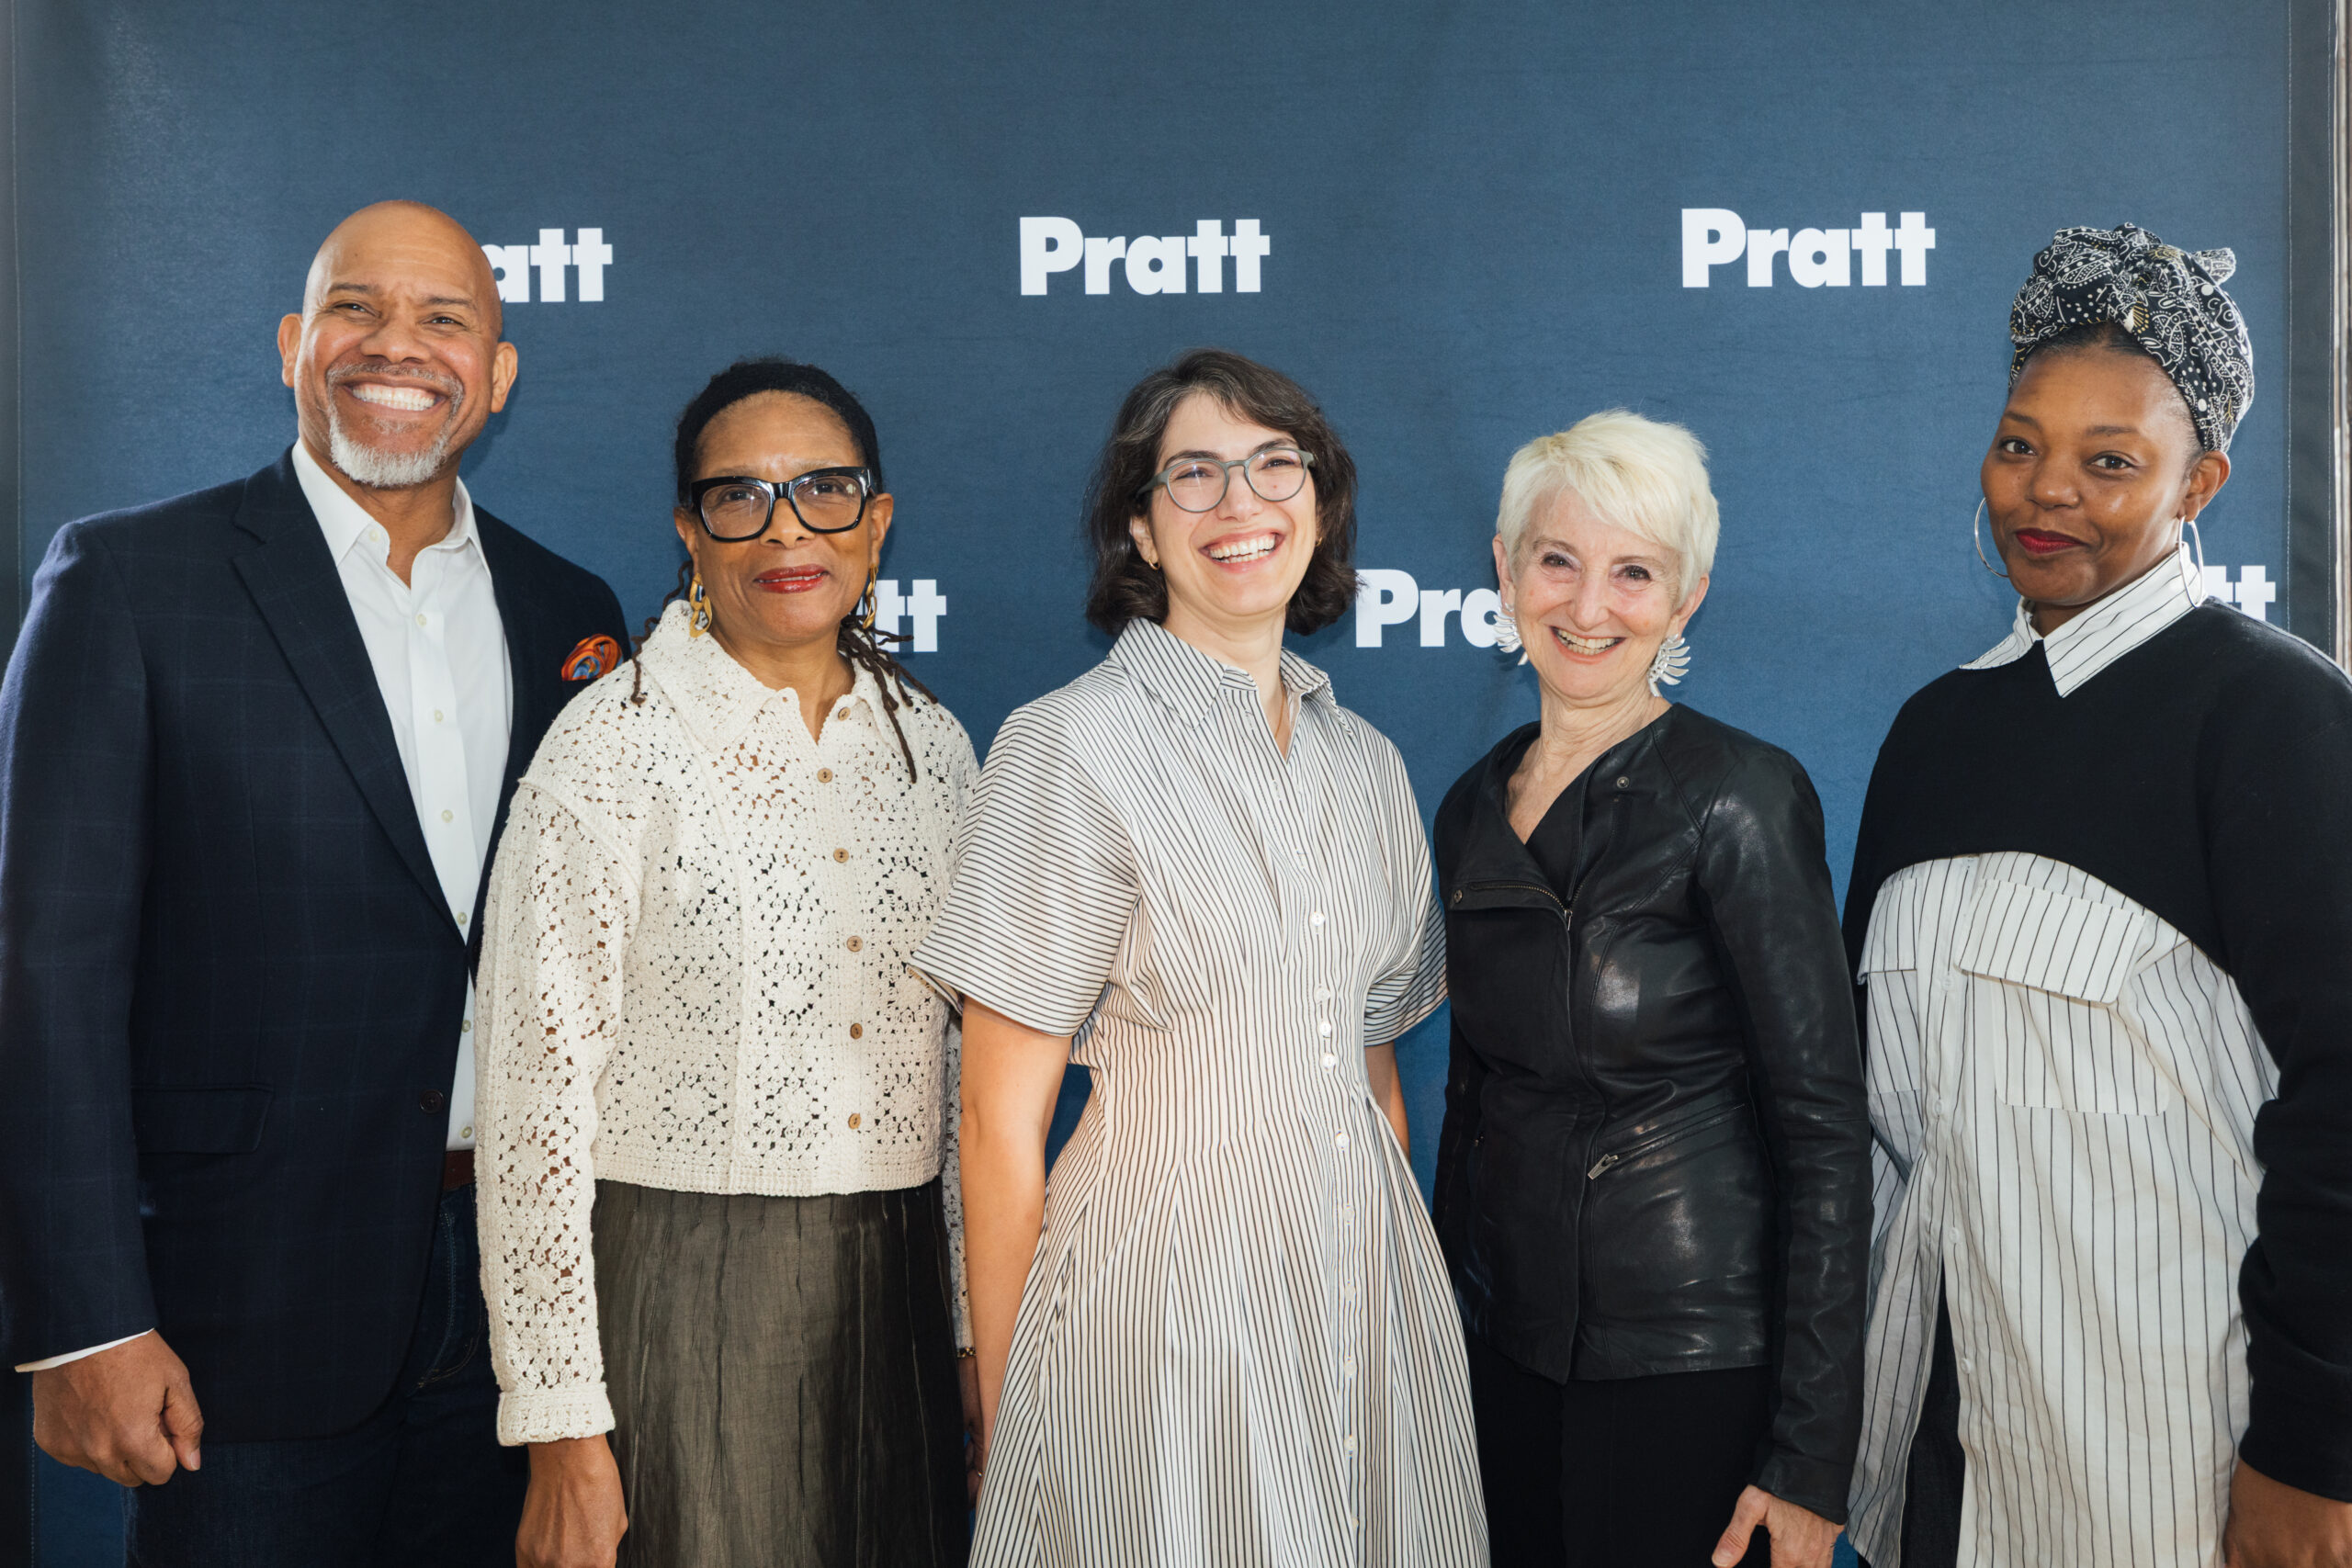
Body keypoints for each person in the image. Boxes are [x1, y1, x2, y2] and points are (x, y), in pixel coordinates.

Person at [0, 201, 630, 1565]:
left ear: (500, 374)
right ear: (295, 342)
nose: (395, 346)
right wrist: (84, 1318)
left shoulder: (567, 607)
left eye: (445, 318)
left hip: (515, 1303)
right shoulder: (128, 579)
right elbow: (43, 970)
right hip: (242, 1306)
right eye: (357, 307)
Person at [911, 348, 1485, 1565]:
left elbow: (1372, 1069)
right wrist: (1016, 1413)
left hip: (1365, 1297)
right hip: (1161, 1311)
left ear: (1320, 504)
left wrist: (1386, 1291)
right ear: (1140, 526)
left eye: (1277, 465)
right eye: (1196, 474)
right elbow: (995, 1120)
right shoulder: (1067, 746)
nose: (1242, 502)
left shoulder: (1368, 763)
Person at [1843, 224, 2352, 1568]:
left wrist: (2312, 1448)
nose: (2045, 490)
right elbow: (1868, 1119)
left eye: (2109, 461)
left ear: (2202, 484)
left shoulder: (2275, 718)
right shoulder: (1931, 735)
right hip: (1948, 1458)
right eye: (2020, 444)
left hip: (2184, 1461)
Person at [474, 358, 978, 1568]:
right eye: (740, 496)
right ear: (690, 532)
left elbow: (960, 1083)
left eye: (825, 490)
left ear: (881, 517)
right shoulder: (611, 749)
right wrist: (559, 1426)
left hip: (897, 1298)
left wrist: (966, 1328)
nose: (788, 528)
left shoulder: (940, 750)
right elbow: (530, 1101)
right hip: (679, 1297)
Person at [1430, 412, 1871, 1568]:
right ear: (1504, 566)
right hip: (1508, 1363)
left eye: (1635, 573)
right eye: (1557, 559)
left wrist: (1810, 1456)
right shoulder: (1470, 807)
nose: (1587, 606)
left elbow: (1826, 1134)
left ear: (1687, 600)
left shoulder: (1739, 797)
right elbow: (1468, 1111)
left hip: (1694, 1371)